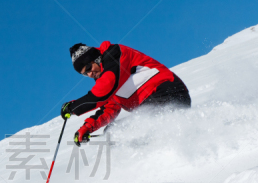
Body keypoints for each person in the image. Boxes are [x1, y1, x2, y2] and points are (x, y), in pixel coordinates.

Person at [61, 42, 190, 145]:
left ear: (96, 59)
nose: (89, 74)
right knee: (112, 132)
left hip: (167, 92)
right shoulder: (104, 80)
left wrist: (74, 107)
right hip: (151, 105)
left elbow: (103, 91)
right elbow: (109, 108)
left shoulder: (114, 54)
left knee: (136, 130)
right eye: (84, 74)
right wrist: (88, 127)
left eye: (89, 69)